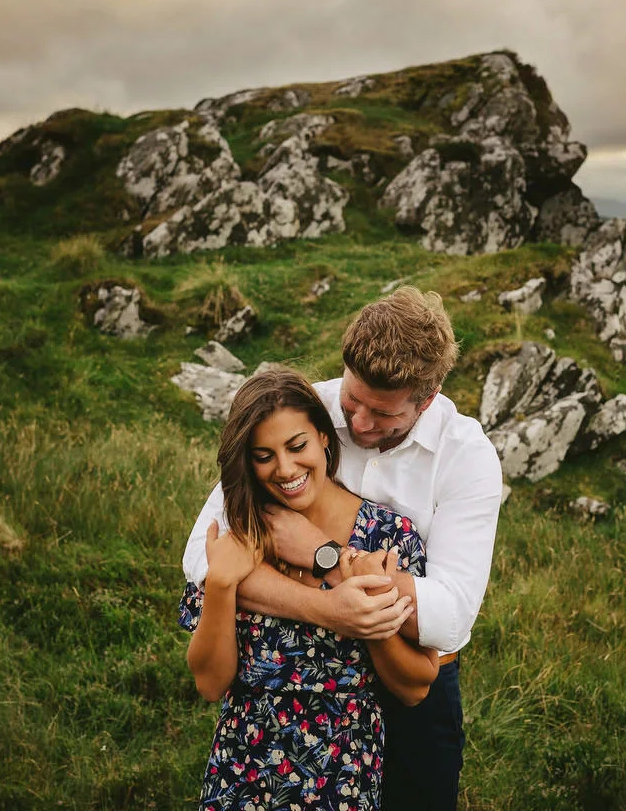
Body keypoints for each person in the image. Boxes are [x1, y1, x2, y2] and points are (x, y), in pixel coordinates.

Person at [183, 287, 504, 811]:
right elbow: (203, 558)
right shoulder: (303, 414)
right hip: (267, 715)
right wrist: (330, 606)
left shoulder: (466, 457)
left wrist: (329, 556)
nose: (357, 424)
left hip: (404, 681)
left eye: (382, 415)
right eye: (353, 402)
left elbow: (448, 619)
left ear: (428, 398)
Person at [181, 366, 439, 810]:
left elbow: (416, 686)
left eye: (296, 445)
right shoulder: (241, 529)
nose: (285, 469)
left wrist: (364, 615)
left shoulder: (387, 535)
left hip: (342, 777)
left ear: (324, 436)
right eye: (264, 456)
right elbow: (209, 683)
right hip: (241, 773)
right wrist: (222, 584)